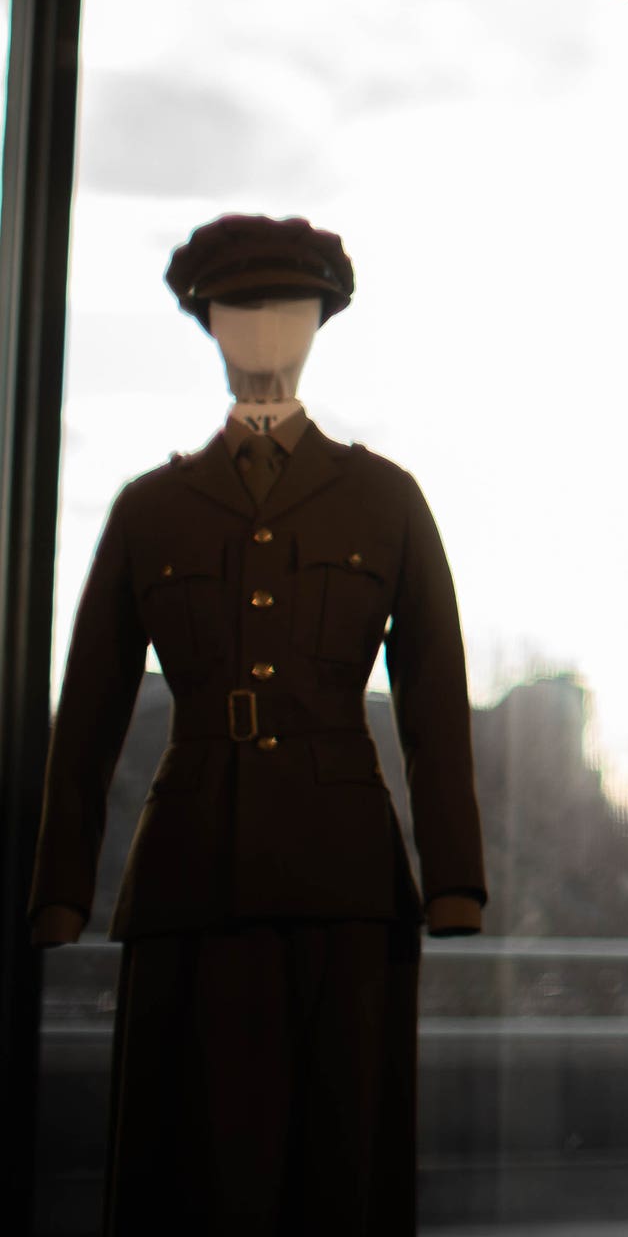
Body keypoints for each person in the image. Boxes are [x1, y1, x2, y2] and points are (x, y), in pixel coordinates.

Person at [28, 214, 486, 1235]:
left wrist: (455, 874)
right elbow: (91, 704)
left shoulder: (384, 499)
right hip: (194, 868)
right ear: (210, 324)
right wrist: (59, 884)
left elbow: (434, 694)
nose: (266, 331)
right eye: (242, 309)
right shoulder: (153, 507)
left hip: (346, 876)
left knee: (342, 1166)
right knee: (187, 1172)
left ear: (322, 323)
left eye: (289, 309)